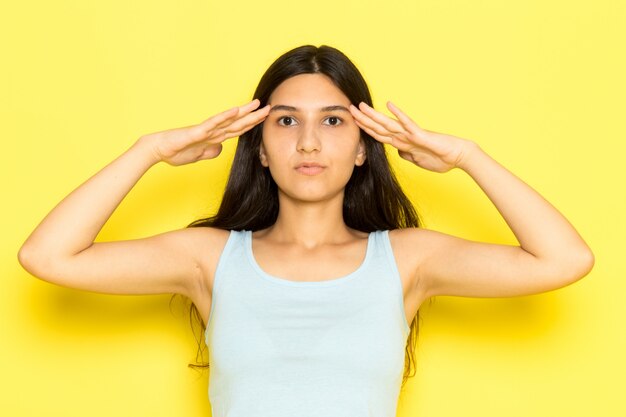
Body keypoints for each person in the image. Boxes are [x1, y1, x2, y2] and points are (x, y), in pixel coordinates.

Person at [18, 44, 594, 417]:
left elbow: (563, 260)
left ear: (366, 147)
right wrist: (151, 151)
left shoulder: (406, 260)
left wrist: (469, 156)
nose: (309, 143)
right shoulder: (208, 259)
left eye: (334, 121)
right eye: (286, 120)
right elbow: (48, 256)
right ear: (261, 150)